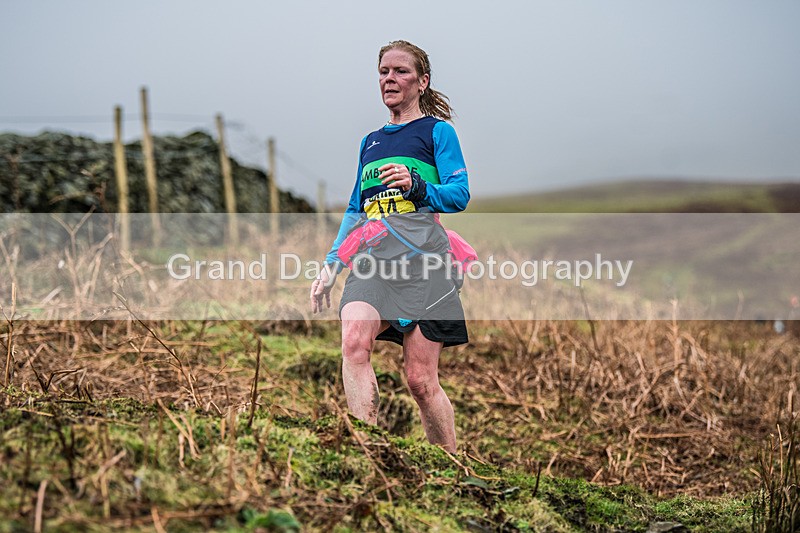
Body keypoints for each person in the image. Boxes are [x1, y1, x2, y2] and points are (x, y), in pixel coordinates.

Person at [310, 40, 470, 454]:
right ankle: (366, 451)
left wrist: (418, 186)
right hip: (373, 262)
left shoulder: (437, 132)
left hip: (424, 263)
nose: (390, 79)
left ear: (422, 81)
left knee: (420, 381)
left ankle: (450, 467)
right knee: (353, 342)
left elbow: (459, 194)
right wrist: (331, 265)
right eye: (384, 71)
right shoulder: (370, 142)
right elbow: (355, 208)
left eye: (401, 71)